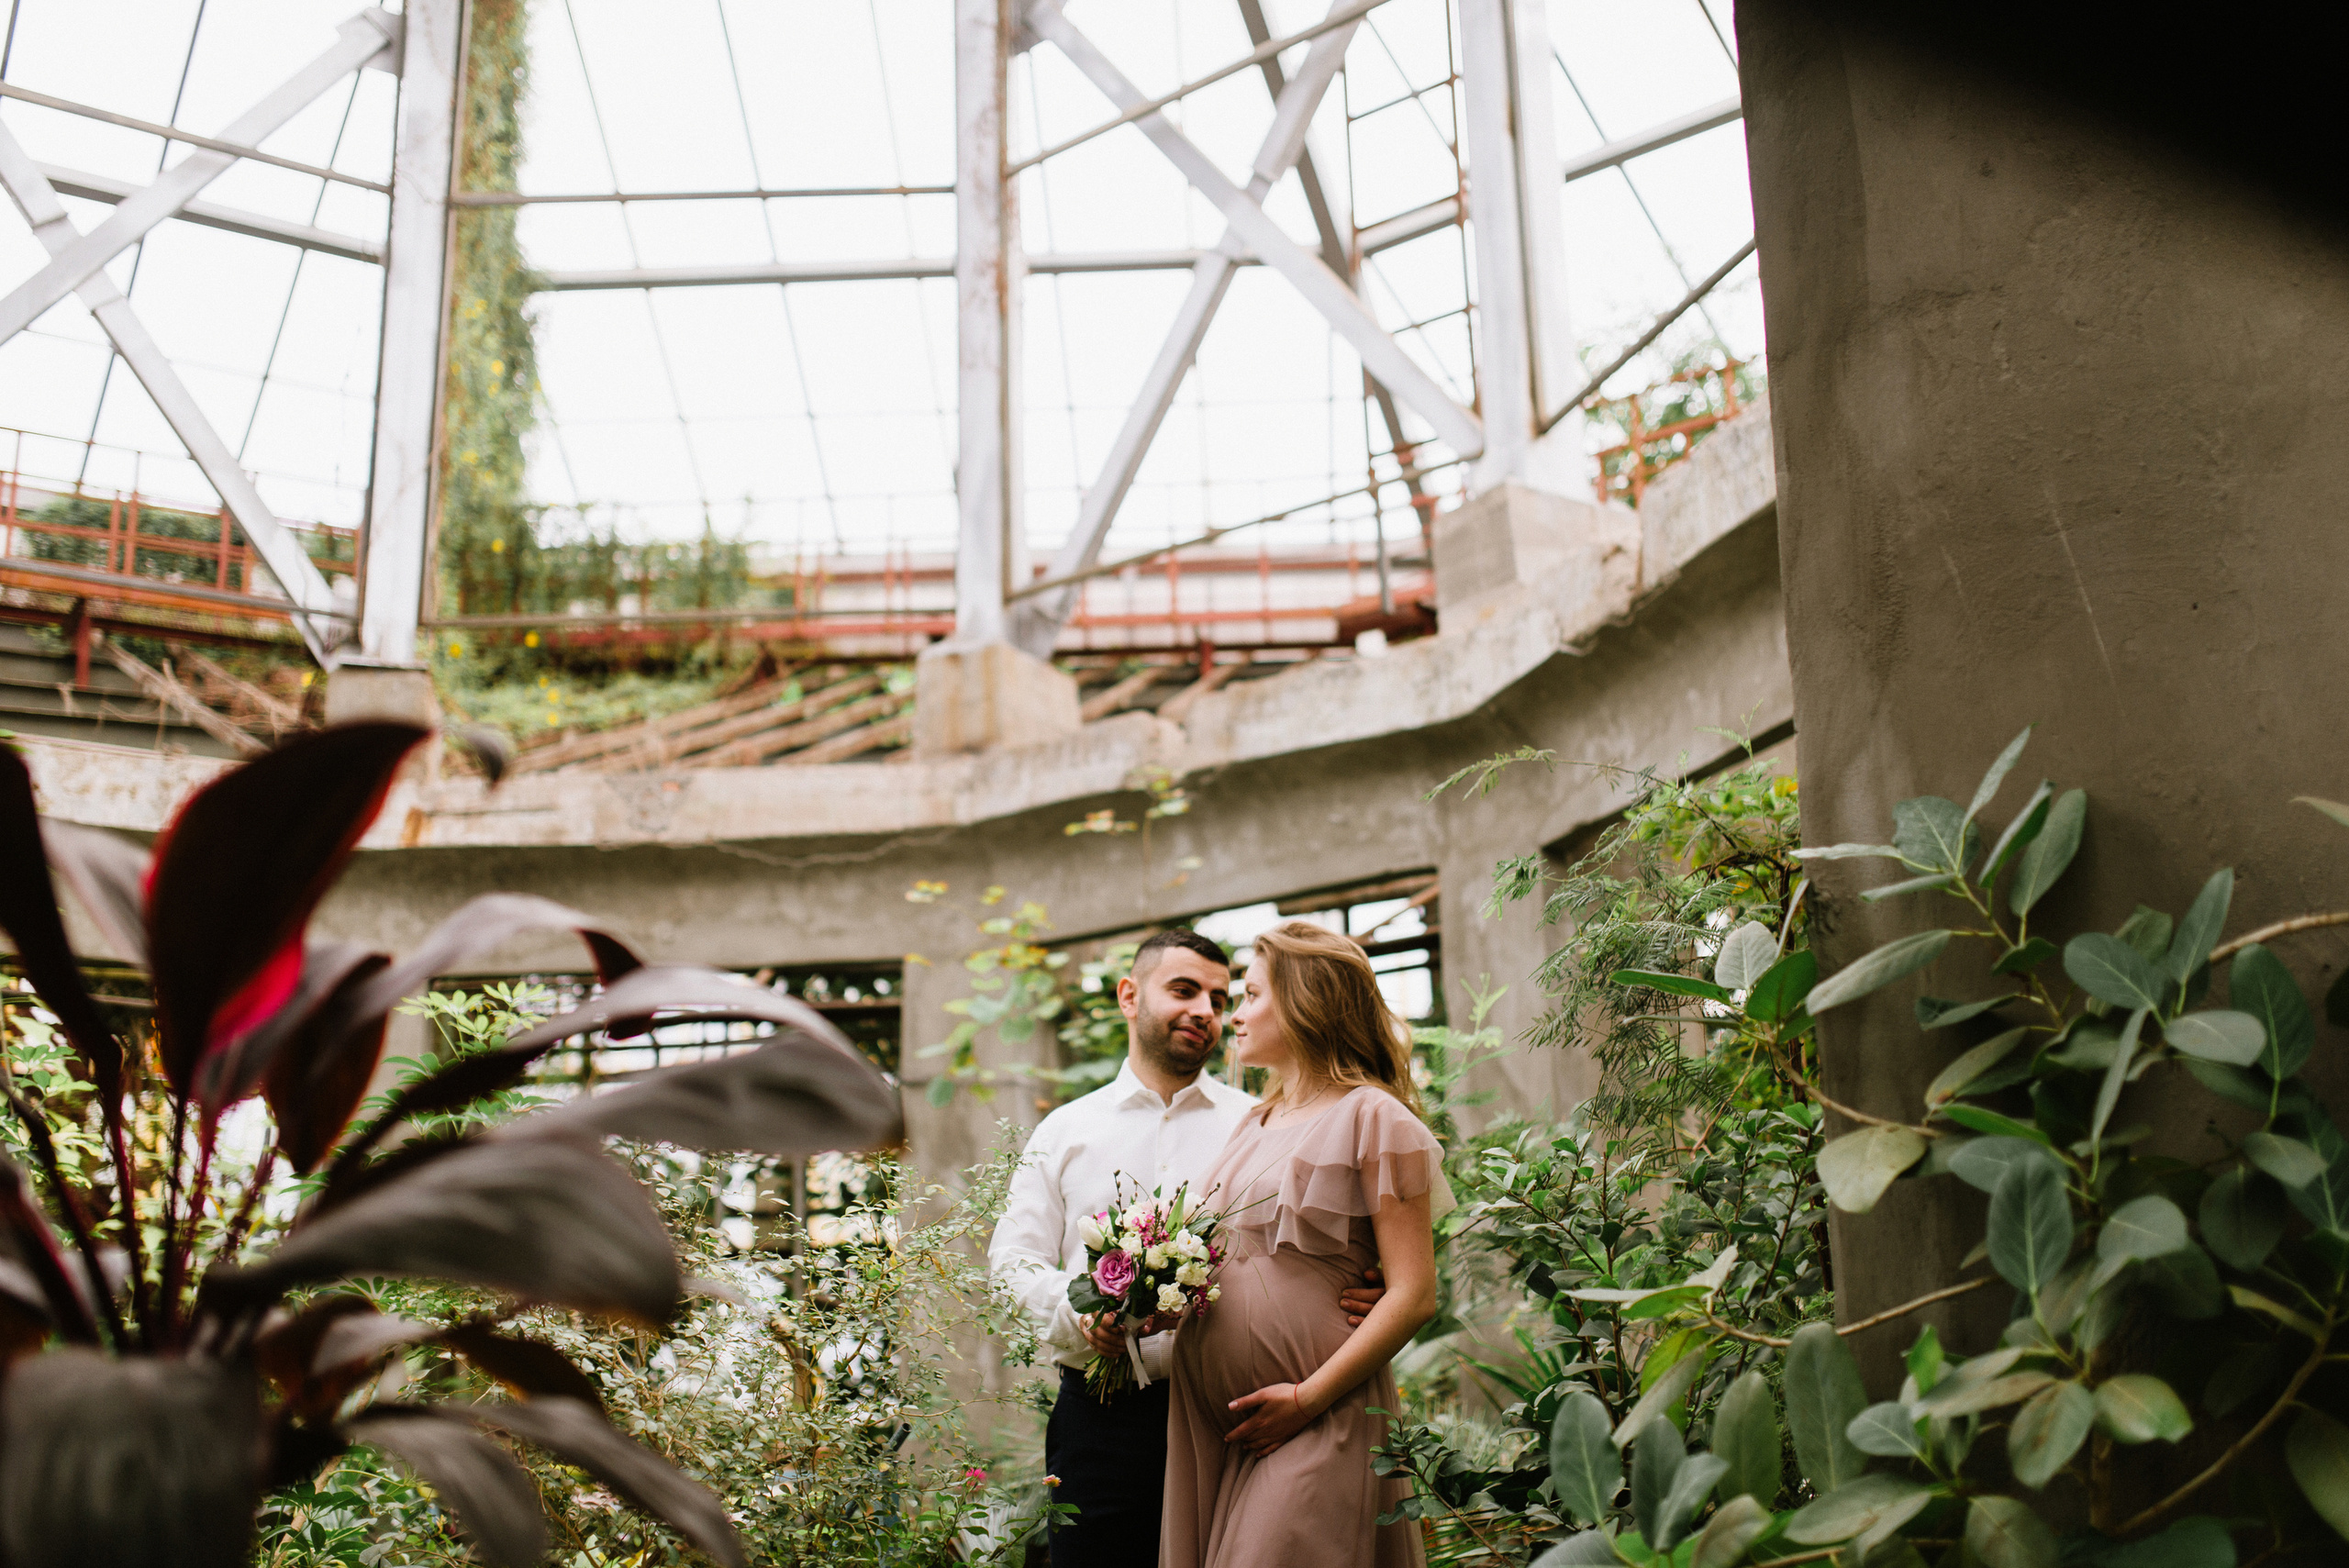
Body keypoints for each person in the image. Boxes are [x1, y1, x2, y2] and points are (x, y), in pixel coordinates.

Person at [989, 928, 1386, 1568]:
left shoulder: (1262, 1122)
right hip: (1102, 1420)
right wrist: (1081, 1312)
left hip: (1235, 1417)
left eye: (1220, 999)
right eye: (1183, 990)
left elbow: (1318, 1247)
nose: (1205, 1010)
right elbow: (1011, 1264)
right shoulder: (1064, 1130)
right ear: (1129, 995)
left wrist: (1368, 1287)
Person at [1162, 920, 1450, 1568]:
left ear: (1304, 1001)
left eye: (1250, 996)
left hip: (1319, 1414)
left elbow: (1414, 1293)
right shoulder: (1253, 1122)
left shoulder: (1374, 1115)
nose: (1234, 1017)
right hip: (1218, 1426)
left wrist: (1305, 1400)